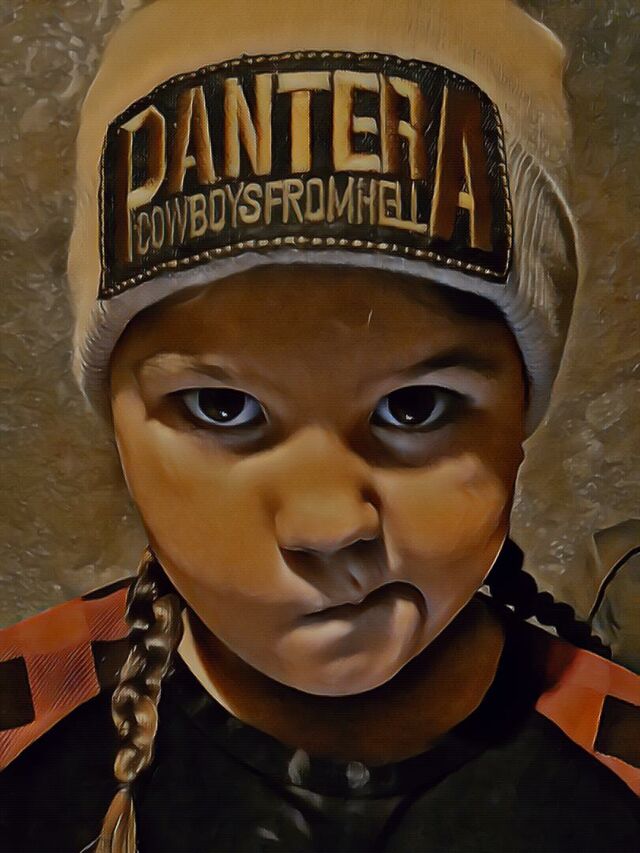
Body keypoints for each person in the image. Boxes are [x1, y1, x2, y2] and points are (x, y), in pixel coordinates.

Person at [0, 1, 638, 851]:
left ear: (520, 413)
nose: (328, 524)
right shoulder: (24, 732)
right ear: (115, 423)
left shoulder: (615, 777)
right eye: (221, 406)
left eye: (414, 407)